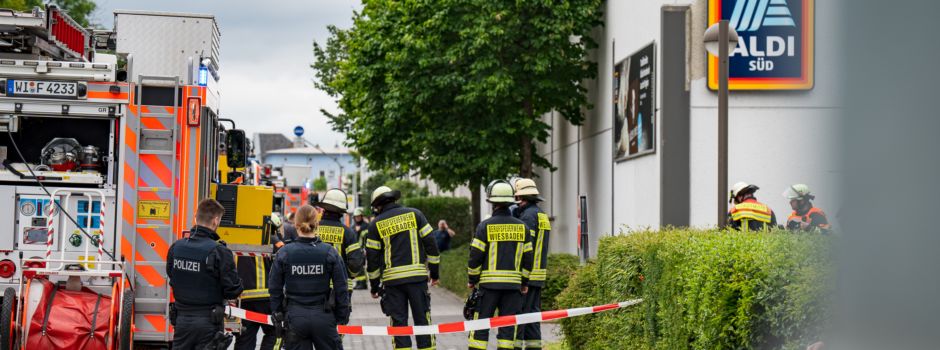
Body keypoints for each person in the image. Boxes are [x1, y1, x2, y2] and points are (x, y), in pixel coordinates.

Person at [365, 186, 440, 350]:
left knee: (399, 324)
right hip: (417, 279)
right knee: (423, 321)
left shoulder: (375, 225)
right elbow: (431, 244)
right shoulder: (415, 214)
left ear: (377, 206)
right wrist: (434, 273)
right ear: (394, 199)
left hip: (393, 283)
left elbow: (372, 260)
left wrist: (375, 286)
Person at [268, 205, 351, 350]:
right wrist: (341, 317)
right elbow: (341, 287)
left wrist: (278, 313)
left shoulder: (285, 253)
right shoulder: (329, 252)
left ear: (296, 225)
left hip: (295, 318)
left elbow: (274, 287)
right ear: (317, 224)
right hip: (324, 318)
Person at [167, 199, 243, 350]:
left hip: (182, 321)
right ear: (215, 220)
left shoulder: (176, 247)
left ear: (196, 217)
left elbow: (172, 276)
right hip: (208, 323)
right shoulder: (220, 251)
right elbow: (233, 290)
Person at [467, 180, 534, 350]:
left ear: (492, 202)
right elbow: (528, 259)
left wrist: (472, 279)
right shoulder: (523, 228)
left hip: (488, 288)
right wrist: (524, 282)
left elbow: (475, 257)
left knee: (480, 327)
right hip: (513, 288)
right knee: (507, 330)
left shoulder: (484, 226)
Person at [233, 213, 284, 350]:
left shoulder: (238, 238)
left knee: (244, 339)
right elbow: (285, 264)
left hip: (243, 299)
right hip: (266, 299)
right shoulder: (274, 241)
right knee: (274, 333)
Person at [512, 178, 550, 350]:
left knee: (519, 317)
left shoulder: (527, 217)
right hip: (538, 274)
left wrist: (521, 276)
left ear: (522, 199)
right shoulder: (542, 215)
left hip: (527, 275)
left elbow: (524, 248)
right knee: (533, 317)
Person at [316, 188, 366, 295]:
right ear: (341, 212)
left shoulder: (313, 229)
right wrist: (350, 275)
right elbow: (356, 262)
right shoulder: (348, 232)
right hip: (341, 286)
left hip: (315, 285)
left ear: (324, 209)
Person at [352, 207, 370, 290]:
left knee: (361, 266)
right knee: (357, 266)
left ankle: (363, 283)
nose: (357, 218)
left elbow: (368, 239)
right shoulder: (353, 227)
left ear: (362, 216)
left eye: (359, 216)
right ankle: (359, 282)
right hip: (355, 250)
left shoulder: (366, 226)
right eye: (356, 217)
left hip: (363, 250)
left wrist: (366, 249)